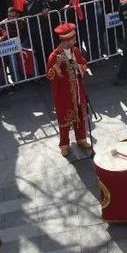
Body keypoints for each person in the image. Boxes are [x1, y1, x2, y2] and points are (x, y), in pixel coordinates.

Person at [46, 23, 91, 157]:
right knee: (64, 119)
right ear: (66, 40)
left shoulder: (76, 51)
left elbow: (84, 64)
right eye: (73, 39)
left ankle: (81, 138)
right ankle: (64, 144)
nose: (75, 40)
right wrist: (57, 66)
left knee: (81, 115)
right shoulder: (54, 56)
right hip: (63, 94)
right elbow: (49, 75)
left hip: (78, 90)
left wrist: (79, 66)